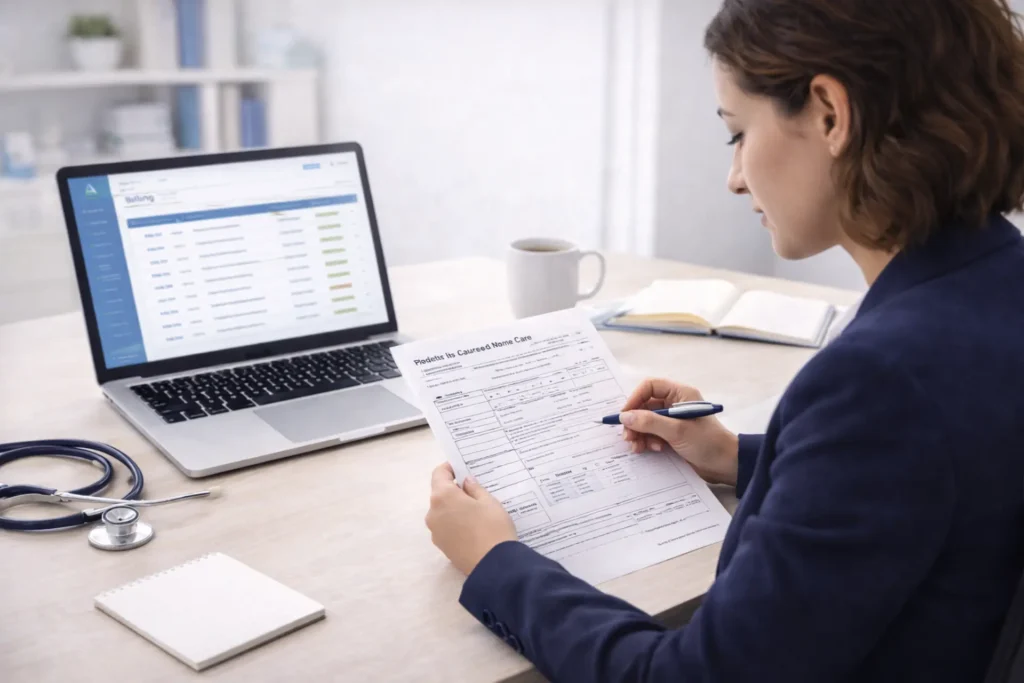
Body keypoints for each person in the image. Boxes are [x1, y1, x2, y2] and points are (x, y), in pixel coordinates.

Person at [425, 0, 1024, 680]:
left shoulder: (882, 379)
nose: (734, 176)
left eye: (736, 133)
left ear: (830, 113)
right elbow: (938, 463)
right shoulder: (999, 282)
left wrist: (498, 563)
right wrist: (736, 456)